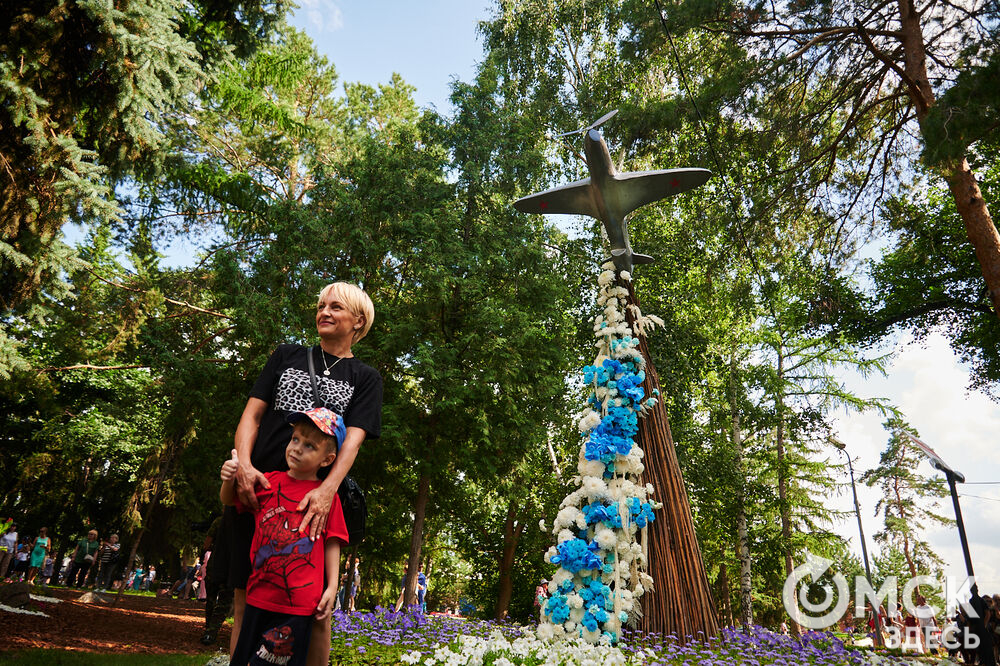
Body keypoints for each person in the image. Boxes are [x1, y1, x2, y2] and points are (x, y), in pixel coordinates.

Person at [226, 282, 383, 664]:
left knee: (316, 614)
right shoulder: (286, 355)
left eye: (336, 307)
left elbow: (352, 442)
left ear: (358, 321)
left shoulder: (365, 377)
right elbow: (252, 416)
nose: (324, 311)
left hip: (312, 503)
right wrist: (244, 468)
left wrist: (327, 491)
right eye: (321, 305)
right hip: (258, 492)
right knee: (245, 600)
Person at [221, 406, 350, 666]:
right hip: (258, 595)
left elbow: (333, 542)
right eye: (295, 439)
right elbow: (229, 500)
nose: (297, 448)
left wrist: (332, 586)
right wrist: (228, 479)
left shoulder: (326, 498)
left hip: (298, 605)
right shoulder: (267, 482)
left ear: (327, 460)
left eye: (310, 446)